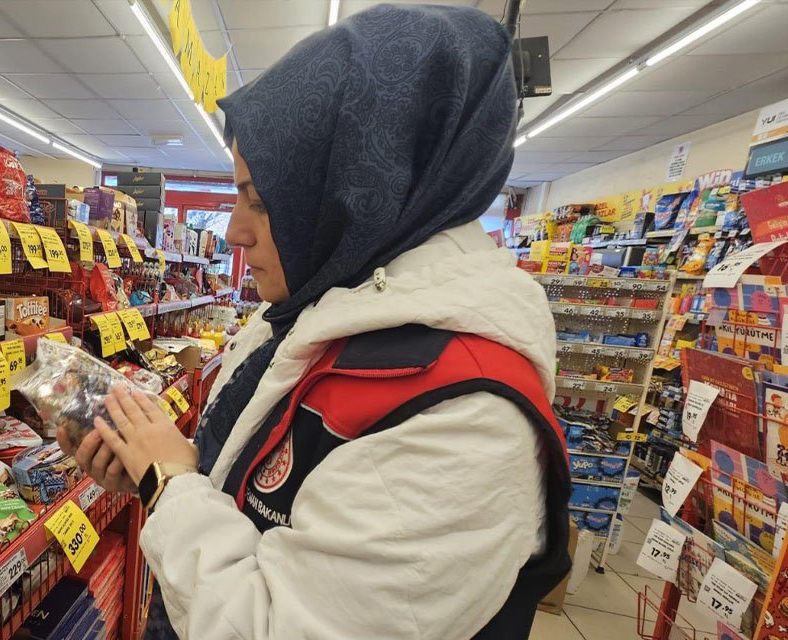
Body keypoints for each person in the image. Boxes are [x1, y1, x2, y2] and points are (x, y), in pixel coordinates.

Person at [59, 5, 571, 639]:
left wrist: (170, 482)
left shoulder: (466, 415)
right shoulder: (323, 305)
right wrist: (153, 469)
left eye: (260, 200)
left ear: (358, 190)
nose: (235, 233)